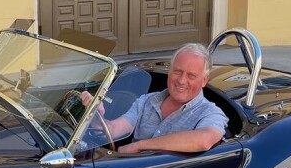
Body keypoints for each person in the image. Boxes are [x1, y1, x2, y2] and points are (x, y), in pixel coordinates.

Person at [83, 43, 228, 154]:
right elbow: (113, 130)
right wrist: (95, 114)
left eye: (191, 76)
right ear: (169, 71)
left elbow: (203, 140)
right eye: (177, 71)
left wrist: (139, 145)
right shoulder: (147, 100)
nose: (182, 81)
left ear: (204, 80)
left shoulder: (210, 112)